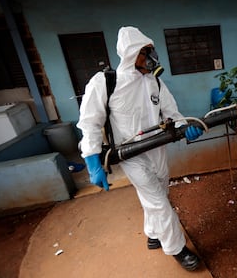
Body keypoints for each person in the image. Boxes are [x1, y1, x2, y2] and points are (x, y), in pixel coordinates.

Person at [77, 26, 204, 271]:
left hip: (157, 148)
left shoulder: (154, 81)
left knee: (158, 194)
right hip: (130, 153)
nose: (150, 58)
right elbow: (90, 123)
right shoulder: (105, 82)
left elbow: (172, 113)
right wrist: (93, 164)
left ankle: (153, 233)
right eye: (144, 52)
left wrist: (185, 126)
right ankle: (177, 248)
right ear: (130, 53)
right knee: (158, 201)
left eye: (150, 51)